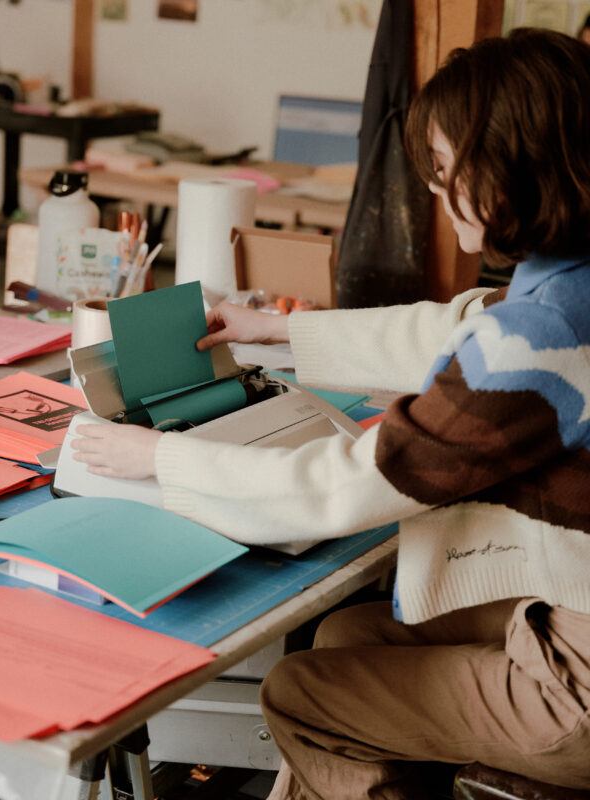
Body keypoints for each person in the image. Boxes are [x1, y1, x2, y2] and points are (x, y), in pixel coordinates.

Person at [72, 28, 590, 798]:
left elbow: (352, 485)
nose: (437, 192)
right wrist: (282, 328)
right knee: (347, 631)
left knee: (301, 694)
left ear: (513, 167)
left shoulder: (538, 336)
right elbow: (461, 325)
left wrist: (158, 460)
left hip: (573, 686)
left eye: (447, 169)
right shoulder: (565, 283)